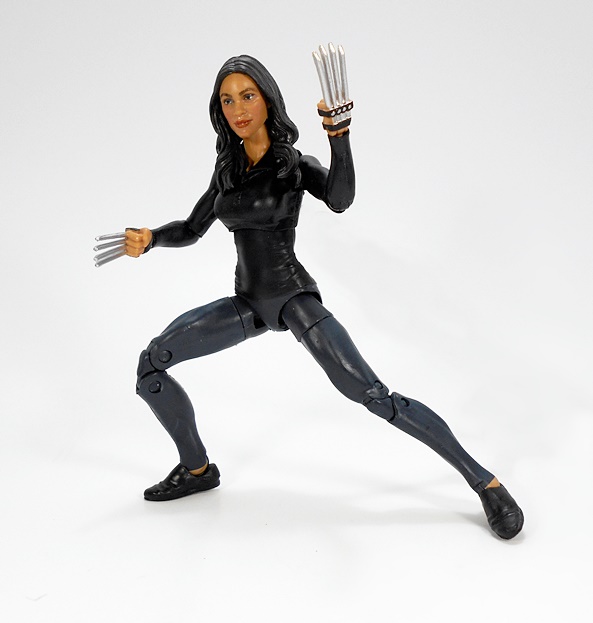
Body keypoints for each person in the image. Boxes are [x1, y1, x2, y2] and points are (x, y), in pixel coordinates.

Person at [121, 54, 523, 539]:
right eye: (227, 101)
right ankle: (198, 469)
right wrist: (152, 238)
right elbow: (191, 227)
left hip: (293, 298)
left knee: (373, 396)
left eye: (247, 96)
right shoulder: (227, 171)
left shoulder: (292, 166)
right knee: (152, 364)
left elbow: (339, 198)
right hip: (247, 304)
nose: (238, 109)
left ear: (268, 101)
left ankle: (484, 482)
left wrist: (339, 136)